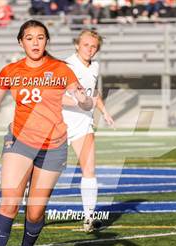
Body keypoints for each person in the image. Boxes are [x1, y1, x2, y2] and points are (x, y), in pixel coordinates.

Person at [0, 19, 93, 246]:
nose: (35, 43)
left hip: (53, 145)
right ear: (20, 42)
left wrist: (84, 99)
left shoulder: (61, 70)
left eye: (40, 38)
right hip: (19, 142)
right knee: (9, 204)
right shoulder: (11, 70)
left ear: (47, 41)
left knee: (35, 213)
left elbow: (84, 100)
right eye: (29, 38)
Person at [62, 30, 114, 232]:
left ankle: (89, 218)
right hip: (59, 122)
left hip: (83, 123)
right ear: (77, 45)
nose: (90, 49)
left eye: (94, 46)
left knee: (89, 170)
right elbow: (55, 96)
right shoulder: (66, 66)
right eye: (86, 45)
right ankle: (28, 205)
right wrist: (79, 101)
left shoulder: (95, 66)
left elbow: (94, 94)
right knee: (46, 172)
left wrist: (104, 112)